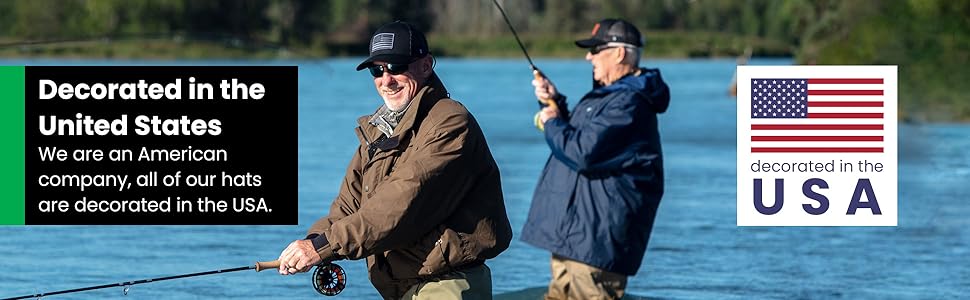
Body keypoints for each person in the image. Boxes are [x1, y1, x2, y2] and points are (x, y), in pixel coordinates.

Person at [276, 21, 512, 300]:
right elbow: (349, 206)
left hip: (446, 284)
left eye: (397, 67)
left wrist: (326, 246)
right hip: (401, 287)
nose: (386, 80)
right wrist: (312, 242)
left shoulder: (450, 122)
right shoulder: (377, 129)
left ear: (426, 66)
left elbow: (401, 202)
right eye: (377, 70)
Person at [521, 19, 670, 300]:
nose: (589, 56)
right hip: (575, 238)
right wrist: (554, 102)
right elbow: (583, 138)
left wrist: (551, 120)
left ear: (619, 53)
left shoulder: (629, 103)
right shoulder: (612, 97)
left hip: (595, 243)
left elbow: (583, 153)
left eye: (596, 49)